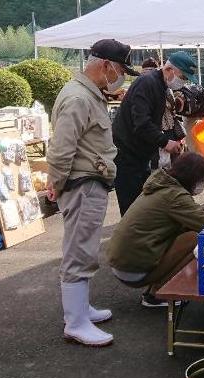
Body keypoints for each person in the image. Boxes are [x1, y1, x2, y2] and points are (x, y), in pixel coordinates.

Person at [47, 39, 139, 347]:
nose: (120, 76)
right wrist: (57, 184)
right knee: (80, 252)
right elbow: (61, 150)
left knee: (83, 248)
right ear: (106, 66)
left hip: (89, 183)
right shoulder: (78, 98)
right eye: (120, 70)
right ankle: (75, 322)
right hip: (82, 184)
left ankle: (80, 309)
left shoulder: (88, 94)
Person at [107, 153, 204, 307]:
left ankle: (155, 289)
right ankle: (157, 295)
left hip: (122, 263)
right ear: (192, 177)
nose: (201, 185)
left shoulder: (161, 186)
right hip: (132, 269)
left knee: (188, 230)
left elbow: (196, 217)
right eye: (201, 180)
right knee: (195, 238)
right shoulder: (174, 196)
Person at [112, 51, 197, 215]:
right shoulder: (147, 83)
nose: (183, 82)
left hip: (141, 155)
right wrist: (165, 142)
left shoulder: (160, 85)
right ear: (170, 69)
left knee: (143, 207)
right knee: (133, 210)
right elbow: (142, 123)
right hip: (128, 155)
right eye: (183, 77)